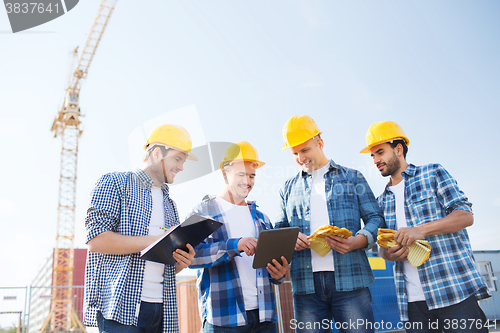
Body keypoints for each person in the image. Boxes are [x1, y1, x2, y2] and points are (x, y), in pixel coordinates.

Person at [361, 120, 491, 333]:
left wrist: (420, 230)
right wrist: (389, 254)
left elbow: (465, 216)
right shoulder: (381, 201)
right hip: (413, 305)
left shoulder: (433, 174)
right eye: (373, 155)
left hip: (453, 292)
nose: (376, 160)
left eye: (380, 152)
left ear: (399, 149)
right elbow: (383, 250)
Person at [275, 115, 385, 333]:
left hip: (351, 280)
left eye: (304, 150)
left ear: (320, 142)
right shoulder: (287, 188)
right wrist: (288, 239)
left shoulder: (353, 178)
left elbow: (376, 219)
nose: (300, 157)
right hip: (306, 286)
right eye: (295, 153)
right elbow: (280, 230)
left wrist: (357, 241)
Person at [83, 124, 198, 333]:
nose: (181, 167)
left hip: (162, 311)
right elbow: (96, 240)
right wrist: (156, 239)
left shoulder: (170, 203)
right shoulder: (114, 182)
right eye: (178, 159)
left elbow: (168, 266)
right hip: (122, 311)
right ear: (157, 153)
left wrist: (181, 261)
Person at [187, 141, 289, 333]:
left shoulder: (262, 218)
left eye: (252, 176)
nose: (248, 182)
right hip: (224, 320)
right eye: (241, 174)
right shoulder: (202, 212)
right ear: (225, 172)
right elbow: (191, 257)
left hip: (264, 318)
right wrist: (235, 245)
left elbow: (273, 272)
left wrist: (279, 273)